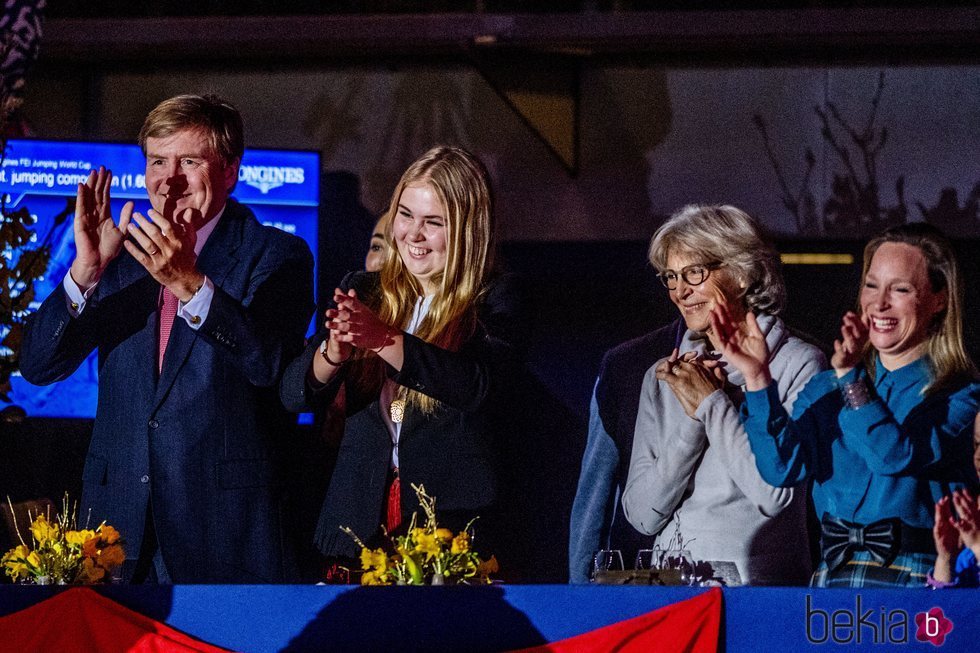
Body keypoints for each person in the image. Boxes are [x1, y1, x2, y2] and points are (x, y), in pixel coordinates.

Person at [19, 94, 315, 583]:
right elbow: (38, 366)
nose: (168, 179)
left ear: (230, 172)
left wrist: (189, 283)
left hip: (223, 536)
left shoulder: (276, 256)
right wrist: (85, 270)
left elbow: (271, 369)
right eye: (158, 161)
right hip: (118, 538)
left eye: (190, 161)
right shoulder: (121, 257)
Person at [280, 146, 521, 566]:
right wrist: (333, 353)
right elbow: (293, 395)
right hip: (357, 519)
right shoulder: (366, 287)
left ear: (467, 229)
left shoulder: (496, 298)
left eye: (433, 223)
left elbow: (476, 386)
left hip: (449, 524)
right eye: (405, 215)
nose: (412, 234)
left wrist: (382, 339)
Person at [715, 222, 980, 587]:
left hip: (919, 579)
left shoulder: (959, 395)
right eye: (872, 285)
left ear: (940, 299)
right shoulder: (827, 387)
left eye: (900, 289)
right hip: (833, 577)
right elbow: (781, 469)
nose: (879, 302)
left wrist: (853, 381)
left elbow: (893, 456)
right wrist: (758, 377)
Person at [622, 204, 824, 585]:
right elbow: (642, 516)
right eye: (670, 277)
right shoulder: (664, 375)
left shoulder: (799, 364)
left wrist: (713, 406)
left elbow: (774, 498)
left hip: (754, 593)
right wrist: (691, 423)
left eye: (694, 273)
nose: (680, 291)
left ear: (742, 274)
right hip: (668, 589)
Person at [568, 317, 684, 583]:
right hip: (644, 578)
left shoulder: (792, 359)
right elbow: (597, 487)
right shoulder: (627, 363)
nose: (682, 290)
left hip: (765, 583)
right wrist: (580, 586)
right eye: (672, 277)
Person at [927, 415, 980, 588]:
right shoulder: (970, 514)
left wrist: (977, 547)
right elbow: (939, 609)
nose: (978, 456)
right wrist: (946, 559)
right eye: (977, 444)